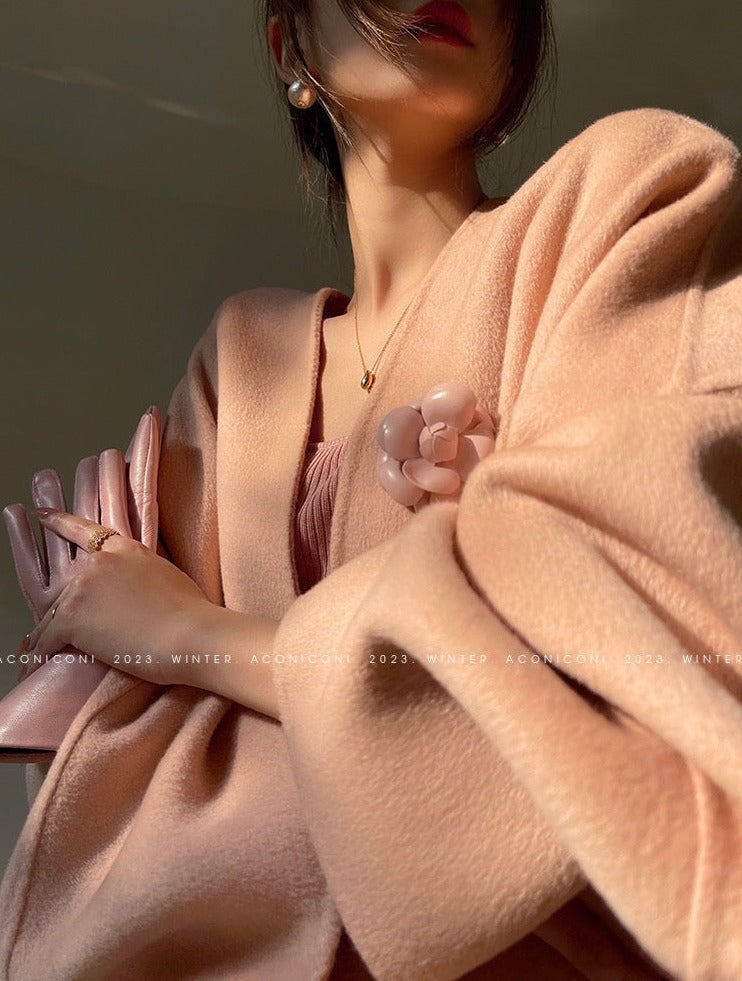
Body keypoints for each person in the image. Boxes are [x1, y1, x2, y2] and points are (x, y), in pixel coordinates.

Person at [3, 1, 742, 979]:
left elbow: (634, 638)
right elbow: (135, 772)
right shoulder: (237, 363)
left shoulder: (630, 196)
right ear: (290, 45)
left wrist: (191, 638)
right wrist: (455, 609)